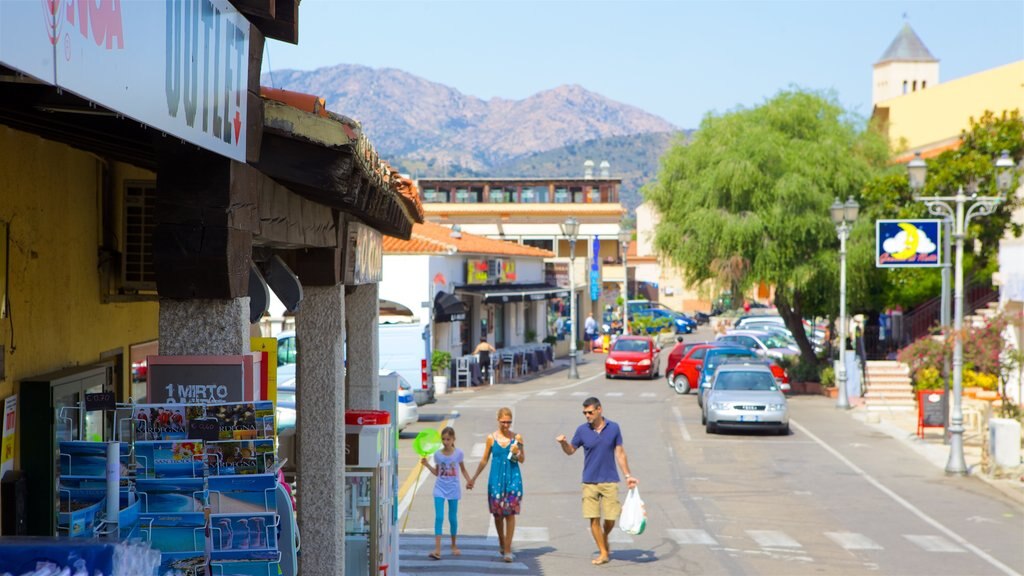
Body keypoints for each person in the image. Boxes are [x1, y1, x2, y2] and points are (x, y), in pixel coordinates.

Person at [555, 397, 637, 566]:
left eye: (590, 412)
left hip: (609, 480)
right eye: (584, 413)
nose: (587, 415)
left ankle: (604, 536)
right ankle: (603, 551)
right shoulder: (582, 430)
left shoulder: (614, 428)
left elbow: (620, 453)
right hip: (589, 481)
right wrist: (563, 443)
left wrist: (628, 476)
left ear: (599, 410)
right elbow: (570, 451)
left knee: (610, 518)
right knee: (593, 518)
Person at [469, 407, 524, 563]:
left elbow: (522, 459)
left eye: (508, 422)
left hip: (513, 479)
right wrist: (473, 478)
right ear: (498, 420)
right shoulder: (491, 438)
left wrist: (517, 452)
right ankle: (502, 541)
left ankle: (507, 549)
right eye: (503, 422)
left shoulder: (517, 438)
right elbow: (484, 459)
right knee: (498, 514)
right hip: (496, 479)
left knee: (510, 513)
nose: (506, 425)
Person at [420, 426, 473, 560]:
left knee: (452, 518)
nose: (445, 442)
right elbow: (437, 472)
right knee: (439, 517)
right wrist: (426, 465)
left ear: (453, 439)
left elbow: (463, 469)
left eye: (448, 439)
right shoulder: (437, 454)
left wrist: (469, 480)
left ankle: (453, 545)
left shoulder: (458, 454)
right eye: (443, 439)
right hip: (439, 488)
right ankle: (437, 549)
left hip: (453, 489)